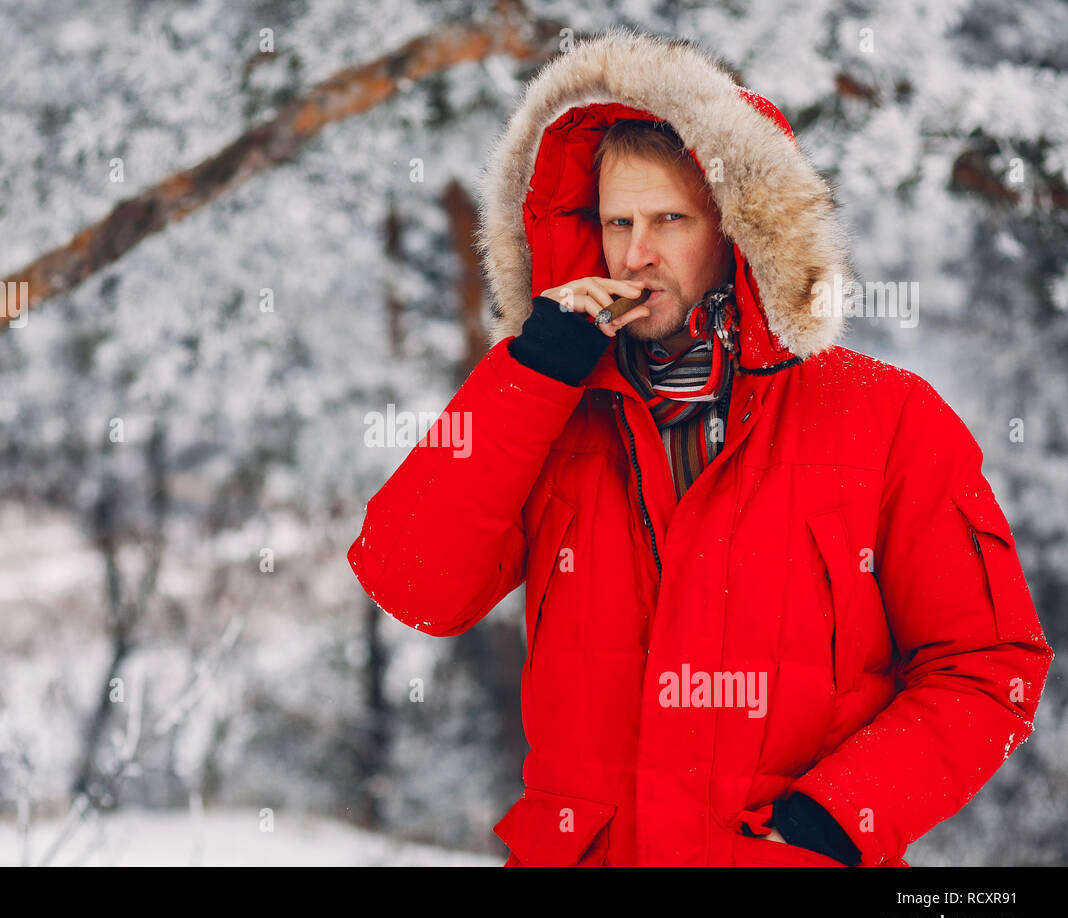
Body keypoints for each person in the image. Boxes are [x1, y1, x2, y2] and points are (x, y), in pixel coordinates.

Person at [346, 28, 1053, 866]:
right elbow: (414, 585)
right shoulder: (550, 411)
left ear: (738, 230)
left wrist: (834, 821)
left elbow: (988, 668)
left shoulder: (888, 416)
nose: (635, 253)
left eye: (669, 219)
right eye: (617, 222)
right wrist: (528, 376)